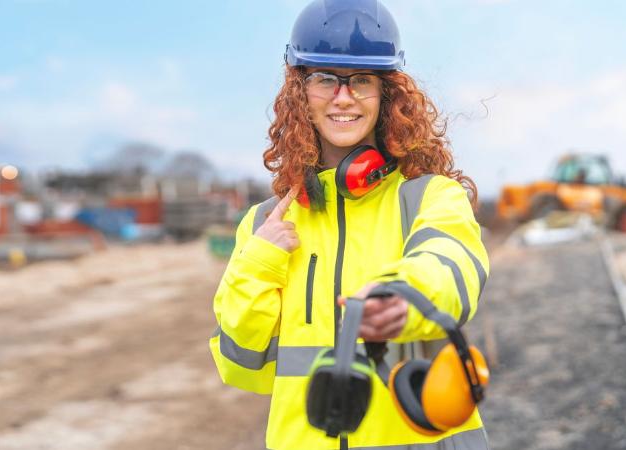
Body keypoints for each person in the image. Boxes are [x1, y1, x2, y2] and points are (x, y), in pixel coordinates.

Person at [209, 1, 490, 448]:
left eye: (361, 80)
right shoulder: (264, 222)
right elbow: (241, 367)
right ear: (300, 93)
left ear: (388, 95)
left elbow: (451, 266)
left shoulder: (429, 197)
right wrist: (259, 262)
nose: (344, 97)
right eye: (325, 79)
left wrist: (404, 299)